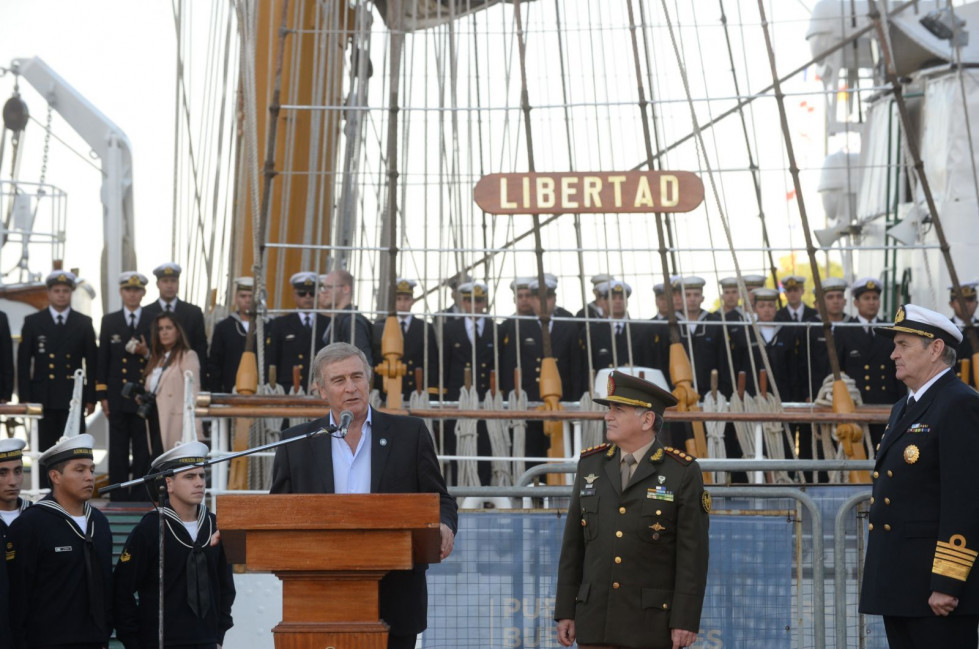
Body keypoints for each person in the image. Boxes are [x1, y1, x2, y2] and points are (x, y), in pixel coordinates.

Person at [270, 342, 458, 649]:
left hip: (395, 599)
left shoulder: (410, 434)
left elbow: (441, 500)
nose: (351, 388)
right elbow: (278, 511)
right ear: (321, 390)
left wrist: (445, 524)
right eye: (339, 380)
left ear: (368, 381)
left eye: (357, 377)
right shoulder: (298, 442)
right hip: (318, 600)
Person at [555, 370, 709, 649]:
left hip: (649, 628)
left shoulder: (681, 472)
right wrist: (566, 610)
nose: (608, 416)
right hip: (595, 623)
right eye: (609, 409)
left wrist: (685, 619)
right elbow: (573, 546)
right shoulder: (591, 464)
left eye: (618, 409)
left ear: (647, 419)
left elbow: (693, 554)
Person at [860, 304, 979, 649]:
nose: (894, 354)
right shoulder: (904, 407)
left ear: (935, 349)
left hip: (935, 590)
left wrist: (947, 581)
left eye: (903, 345)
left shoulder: (959, 404)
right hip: (901, 583)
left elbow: (966, 499)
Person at [114, 441, 236, 649]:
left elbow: (227, 587)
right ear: (168, 484)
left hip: (207, 641)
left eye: (201, 475)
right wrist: (134, 642)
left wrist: (218, 636)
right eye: (189, 476)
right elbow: (121, 590)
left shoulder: (218, 526)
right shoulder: (150, 528)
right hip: (160, 643)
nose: (199, 483)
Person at [6, 431, 113, 648]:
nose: (90, 477)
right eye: (80, 470)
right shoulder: (30, 524)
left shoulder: (99, 522)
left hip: (96, 641)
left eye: (91, 470)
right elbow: (17, 596)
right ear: (55, 476)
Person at [17, 270, 97, 465]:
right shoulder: (33, 322)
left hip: (73, 397)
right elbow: (24, 362)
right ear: (49, 293)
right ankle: (46, 491)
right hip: (43, 396)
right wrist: (25, 398)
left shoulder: (83, 323)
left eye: (65, 291)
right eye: (57, 290)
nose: (61, 294)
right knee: (45, 449)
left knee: (74, 449)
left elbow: (93, 363)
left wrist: (91, 397)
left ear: (71, 293)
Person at [97, 271, 154, 501]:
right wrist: (103, 395)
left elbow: (161, 357)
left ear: (143, 293)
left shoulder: (153, 318)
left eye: (137, 290)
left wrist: (145, 352)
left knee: (143, 448)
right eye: (128, 290)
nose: (133, 294)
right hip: (117, 396)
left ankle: (141, 495)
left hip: (144, 396)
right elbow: (104, 360)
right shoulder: (109, 321)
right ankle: (117, 495)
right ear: (121, 292)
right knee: (118, 449)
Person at [834, 277, 902, 446]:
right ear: (856, 303)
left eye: (875, 298)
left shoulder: (890, 330)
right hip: (857, 404)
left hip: (886, 403)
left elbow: (898, 370)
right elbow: (837, 370)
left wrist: (902, 403)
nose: (872, 303)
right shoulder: (844, 331)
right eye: (866, 298)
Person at [441, 281, 497, 485]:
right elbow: (444, 366)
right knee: (459, 447)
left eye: (479, 300)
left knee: (485, 448)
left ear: (484, 303)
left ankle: (484, 493)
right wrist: (443, 399)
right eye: (468, 300)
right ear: (463, 303)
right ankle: (460, 493)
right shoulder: (450, 329)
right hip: (459, 400)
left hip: (485, 401)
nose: (474, 305)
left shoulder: (495, 329)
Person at [143, 313, 203, 455]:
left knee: (169, 468)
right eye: (160, 329)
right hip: (154, 421)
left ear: (178, 331)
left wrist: (197, 430)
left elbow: (194, 393)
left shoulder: (188, 356)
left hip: (175, 422)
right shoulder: (157, 359)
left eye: (168, 327)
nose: (164, 332)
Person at [372, 278, 439, 401]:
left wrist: (432, 392)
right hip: (385, 390)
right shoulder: (380, 326)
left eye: (407, 299)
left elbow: (432, 362)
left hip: (415, 391)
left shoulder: (424, 328)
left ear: (413, 301)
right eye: (398, 299)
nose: (403, 304)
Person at [267, 271, 328, 391]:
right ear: (294, 295)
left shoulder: (328, 324)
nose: (307, 297)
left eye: (312, 293)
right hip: (288, 388)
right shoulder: (280, 324)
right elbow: (272, 359)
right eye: (302, 293)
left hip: (318, 387)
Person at [143, 262, 208, 369]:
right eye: (165, 281)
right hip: (155, 371)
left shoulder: (193, 312)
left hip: (186, 372)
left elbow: (200, 348)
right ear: (158, 284)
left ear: (178, 283)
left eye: (173, 281)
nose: (169, 286)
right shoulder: (146, 313)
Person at [207, 276, 256, 393]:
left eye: (251, 296)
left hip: (260, 391)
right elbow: (215, 364)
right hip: (229, 391)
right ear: (236, 298)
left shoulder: (267, 326)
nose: (247, 300)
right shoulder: (223, 328)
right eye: (243, 296)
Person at [319, 269, 374, 365]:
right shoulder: (341, 318)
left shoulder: (352, 322)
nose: (324, 292)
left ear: (346, 289)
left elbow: (363, 364)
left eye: (329, 287)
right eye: (324, 287)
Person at [948, 281, 978, 387]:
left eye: (970, 299)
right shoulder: (944, 329)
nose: (967, 303)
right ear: (951, 304)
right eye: (961, 300)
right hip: (951, 390)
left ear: (977, 303)